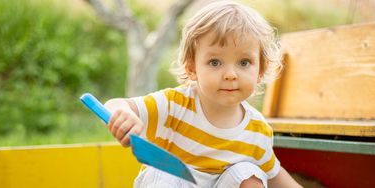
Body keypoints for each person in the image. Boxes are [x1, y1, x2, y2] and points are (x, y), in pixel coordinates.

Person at [103, 0, 302, 187]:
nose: (231, 75)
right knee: (162, 172)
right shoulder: (175, 105)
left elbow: (276, 176)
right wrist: (123, 114)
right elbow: (116, 104)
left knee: (249, 173)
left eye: (244, 62)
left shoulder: (257, 131)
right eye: (215, 62)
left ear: (260, 69)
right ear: (192, 68)